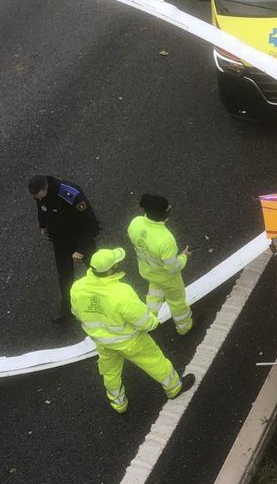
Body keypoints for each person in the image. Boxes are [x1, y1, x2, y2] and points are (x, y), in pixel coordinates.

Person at [70, 248, 195, 414]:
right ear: (109, 269)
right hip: (131, 342)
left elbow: (77, 313)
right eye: (115, 264)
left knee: (110, 373)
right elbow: (144, 321)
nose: (118, 264)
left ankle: (118, 404)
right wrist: (153, 322)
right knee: (155, 362)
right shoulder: (121, 292)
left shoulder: (77, 287)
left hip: (103, 343)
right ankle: (174, 388)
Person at [29, 175, 101, 323]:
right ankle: (67, 308)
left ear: (45, 188)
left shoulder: (70, 194)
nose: (38, 199)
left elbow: (90, 223)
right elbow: (42, 209)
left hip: (80, 238)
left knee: (97, 269)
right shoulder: (40, 196)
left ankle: (109, 298)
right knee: (65, 276)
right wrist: (43, 225)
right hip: (61, 241)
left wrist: (80, 249)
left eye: (39, 195)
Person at [127, 194, 194, 336]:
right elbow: (173, 267)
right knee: (177, 302)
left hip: (148, 271)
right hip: (168, 278)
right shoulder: (166, 240)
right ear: (164, 213)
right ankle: (184, 326)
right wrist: (184, 256)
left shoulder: (135, 223)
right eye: (168, 208)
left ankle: (149, 320)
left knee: (154, 293)